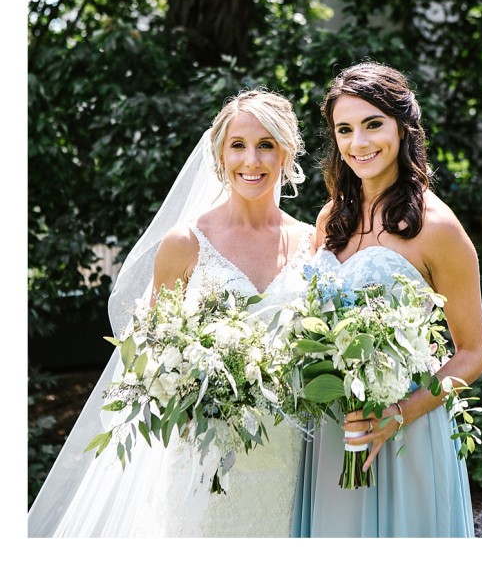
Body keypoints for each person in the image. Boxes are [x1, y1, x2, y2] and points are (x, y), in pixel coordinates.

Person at [29, 89, 315, 536]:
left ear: (286, 152)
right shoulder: (185, 243)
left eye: (266, 144)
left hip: (291, 448)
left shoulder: (313, 243)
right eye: (238, 145)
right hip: (206, 451)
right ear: (219, 154)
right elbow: (153, 351)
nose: (252, 160)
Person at [296, 62, 482, 537]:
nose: (358, 143)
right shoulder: (330, 219)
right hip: (333, 430)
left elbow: (473, 353)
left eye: (373, 124)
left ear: (403, 127)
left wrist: (397, 415)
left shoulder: (438, 229)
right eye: (345, 129)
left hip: (405, 431)